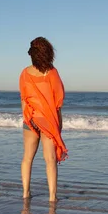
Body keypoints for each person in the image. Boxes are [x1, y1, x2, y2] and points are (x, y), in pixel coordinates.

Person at [19, 37, 67, 202]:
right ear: (48, 52)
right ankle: (52, 197)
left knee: (27, 158)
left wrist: (27, 118)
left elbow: (24, 99)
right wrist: (58, 125)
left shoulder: (25, 73)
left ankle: (26, 193)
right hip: (47, 120)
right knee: (50, 160)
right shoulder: (51, 72)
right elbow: (58, 101)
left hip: (30, 118)